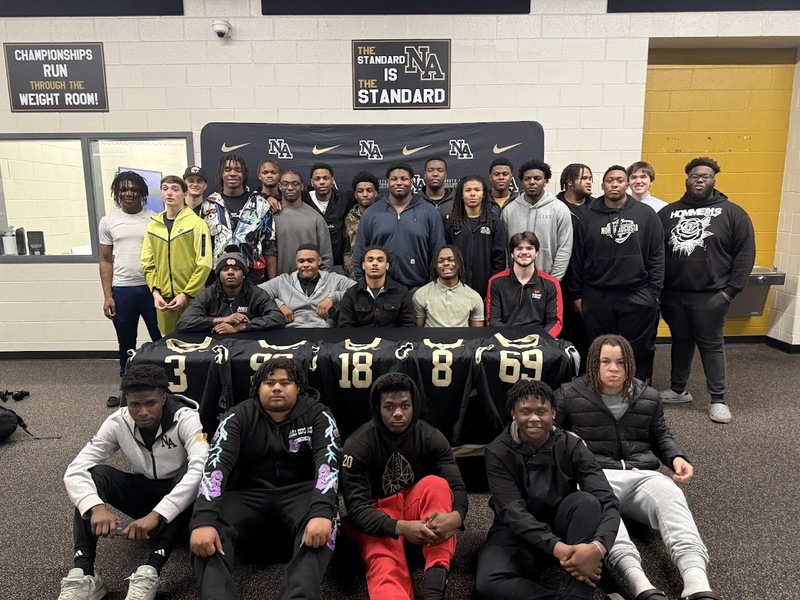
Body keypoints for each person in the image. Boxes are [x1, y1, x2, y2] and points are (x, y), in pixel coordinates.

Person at [555, 334, 717, 600]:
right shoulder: (569, 394)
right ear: (594, 364)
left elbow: (661, 435)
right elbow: (550, 429)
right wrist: (564, 437)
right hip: (596, 472)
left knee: (671, 495)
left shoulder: (648, 396)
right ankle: (640, 584)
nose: (614, 368)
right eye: (605, 362)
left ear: (630, 364)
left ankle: (696, 580)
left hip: (641, 473)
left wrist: (677, 457)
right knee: (602, 511)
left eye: (620, 362)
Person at [190, 357, 341, 600]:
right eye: (269, 382)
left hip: (299, 492)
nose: (277, 387)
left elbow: (328, 464)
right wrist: (203, 520)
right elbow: (216, 467)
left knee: (327, 522)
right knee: (204, 528)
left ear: (298, 387)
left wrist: (322, 511)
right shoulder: (237, 416)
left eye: (285, 382)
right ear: (258, 387)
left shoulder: (319, 415)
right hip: (246, 493)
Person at [60, 364, 208, 600]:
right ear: (126, 401)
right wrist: (95, 507)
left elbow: (201, 468)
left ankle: (151, 570)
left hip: (182, 506)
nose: (142, 412)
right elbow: (75, 469)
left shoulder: (186, 418)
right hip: (145, 494)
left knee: (190, 475)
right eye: (134, 405)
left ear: (163, 398)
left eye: (150, 403)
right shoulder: (117, 422)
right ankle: (84, 573)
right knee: (95, 475)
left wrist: (157, 514)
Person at [475, 379, 621, 600]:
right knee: (488, 582)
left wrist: (597, 548)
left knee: (586, 503)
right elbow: (513, 513)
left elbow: (608, 501)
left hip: (562, 526)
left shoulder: (572, 446)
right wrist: (561, 549)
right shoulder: (497, 451)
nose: (534, 418)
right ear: (513, 413)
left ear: (553, 412)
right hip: (516, 532)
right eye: (525, 411)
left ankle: (579, 594)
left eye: (541, 411)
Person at [340, 372, 468, 600]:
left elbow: (456, 486)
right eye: (389, 407)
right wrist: (400, 527)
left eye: (405, 406)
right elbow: (357, 509)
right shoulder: (357, 445)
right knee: (384, 564)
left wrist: (457, 518)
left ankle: (434, 592)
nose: (398, 413)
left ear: (414, 405)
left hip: (416, 507)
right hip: (379, 513)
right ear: (378, 408)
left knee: (437, 485)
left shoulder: (432, 437)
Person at [658, 157, 756, 424]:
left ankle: (718, 399)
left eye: (706, 176)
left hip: (712, 295)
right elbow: (655, 252)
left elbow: (745, 255)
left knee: (711, 345)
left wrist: (729, 292)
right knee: (680, 340)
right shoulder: (667, 213)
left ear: (714, 180)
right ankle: (679, 389)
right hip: (673, 294)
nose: (699, 180)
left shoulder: (733, 213)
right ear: (686, 179)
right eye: (695, 176)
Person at [568, 166, 664, 382]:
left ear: (627, 184)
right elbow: (577, 258)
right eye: (610, 180)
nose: (614, 184)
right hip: (597, 295)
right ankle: (598, 388)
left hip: (637, 294)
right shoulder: (588, 217)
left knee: (637, 348)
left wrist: (654, 293)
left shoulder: (645, 214)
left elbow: (657, 255)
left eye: (619, 180)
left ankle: (637, 389)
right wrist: (576, 294)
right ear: (603, 185)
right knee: (598, 347)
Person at [99, 171, 162, 407]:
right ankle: (126, 390)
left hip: (152, 289)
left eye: (133, 189)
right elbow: (105, 260)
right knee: (126, 343)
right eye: (123, 189)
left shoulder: (154, 219)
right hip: (123, 291)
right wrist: (107, 296)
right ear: (117, 192)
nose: (129, 193)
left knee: (160, 339)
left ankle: (165, 386)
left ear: (142, 193)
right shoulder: (108, 221)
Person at [352, 162, 446, 291]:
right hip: (380, 290)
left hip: (419, 290)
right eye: (394, 179)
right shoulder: (371, 213)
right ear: (387, 182)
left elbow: (438, 252)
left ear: (412, 181)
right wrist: (364, 284)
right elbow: (359, 253)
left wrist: (431, 288)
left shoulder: (429, 212)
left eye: (404, 179)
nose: (399, 183)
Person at [141, 175, 212, 336]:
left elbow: (204, 263)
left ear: (184, 194)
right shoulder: (153, 226)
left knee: (195, 345)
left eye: (175, 189)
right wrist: (155, 292)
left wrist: (186, 294)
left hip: (192, 299)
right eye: (165, 189)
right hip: (164, 301)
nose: (169, 193)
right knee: (169, 345)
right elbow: (147, 263)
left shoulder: (196, 223)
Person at [175, 246, 286, 334]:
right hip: (214, 344)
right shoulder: (209, 294)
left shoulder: (255, 293)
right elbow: (184, 322)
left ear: (244, 274)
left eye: (236, 269)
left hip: (248, 343)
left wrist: (241, 327)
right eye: (225, 269)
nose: (230, 272)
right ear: (218, 275)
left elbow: (278, 318)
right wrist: (222, 320)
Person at [502, 159, 573, 281]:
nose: (532, 182)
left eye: (537, 178)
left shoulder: (559, 209)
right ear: (522, 182)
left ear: (545, 181)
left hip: (548, 281)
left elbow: (564, 248)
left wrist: (553, 280)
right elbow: (503, 249)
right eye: (527, 179)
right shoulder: (509, 211)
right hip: (513, 282)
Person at [485, 231, 562, 336]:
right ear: (512, 254)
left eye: (529, 248)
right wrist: (510, 339)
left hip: (540, 341)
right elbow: (493, 320)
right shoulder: (495, 282)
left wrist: (539, 339)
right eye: (519, 248)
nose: (524, 252)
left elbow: (555, 322)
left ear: (537, 253)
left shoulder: (551, 283)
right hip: (506, 341)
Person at [259, 243, 355, 327]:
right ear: (296, 262)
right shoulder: (283, 281)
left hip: (324, 333)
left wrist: (333, 297)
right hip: (291, 333)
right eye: (301, 261)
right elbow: (255, 293)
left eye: (310, 261)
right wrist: (278, 305)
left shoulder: (334, 279)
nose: (305, 264)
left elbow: (360, 290)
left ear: (319, 261)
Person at [445, 175, 507, 298]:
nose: (472, 194)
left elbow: (499, 259)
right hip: (456, 287)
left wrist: (492, 286)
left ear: (483, 194)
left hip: (485, 288)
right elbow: (445, 256)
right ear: (461, 195)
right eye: (468, 190)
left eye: (477, 190)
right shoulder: (452, 223)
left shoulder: (493, 222)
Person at [556, 163, 594, 362]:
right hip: (563, 280)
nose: (589, 182)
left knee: (589, 334)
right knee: (565, 333)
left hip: (590, 282)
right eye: (584, 178)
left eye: (590, 178)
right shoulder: (554, 207)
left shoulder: (597, 208)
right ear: (569, 182)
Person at [337, 245, 415, 327]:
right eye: (370, 260)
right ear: (363, 265)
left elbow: (408, 325)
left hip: (393, 339)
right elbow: (345, 327)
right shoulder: (351, 294)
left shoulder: (401, 292)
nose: (374, 263)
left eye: (380, 260)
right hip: (361, 339)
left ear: (387, 266)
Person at [273, 170, 334, 275]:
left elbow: (326, 258)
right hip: (278, 284)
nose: (290, 188)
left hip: (310, 284)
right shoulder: (270, 216)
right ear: (279, 186)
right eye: (285, 184)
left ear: (302, 187)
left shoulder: (316, 218)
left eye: (295, 184)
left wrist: (320, 285)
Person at [231, 160, 279, 284]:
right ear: (259, 175)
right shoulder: (255, 201)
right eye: (265, 172)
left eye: (273, 172)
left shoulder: (289, 198)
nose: (269, 175)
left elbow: (269, 244)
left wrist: (273, 282)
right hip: (231, 269)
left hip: (260, 272)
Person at [413, 246, 484, 328]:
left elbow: (476, 335)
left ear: (459, 263)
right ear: (435, 265)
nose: (446, 263)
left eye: (451, 260)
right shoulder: (421, 294)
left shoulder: (474, 297)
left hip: (464, 340)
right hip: (431, 340)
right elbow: (418, 332)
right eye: (440, 261)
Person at [304, 162, 355, 270]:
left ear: (332, 180)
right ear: (312, 182)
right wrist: (270, 198)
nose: (322, 182)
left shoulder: (344, 197)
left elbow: (366, 197)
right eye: (317, 179)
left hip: (337, 264)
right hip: (309, 264)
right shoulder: (303, 198)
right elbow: (282, 197)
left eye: (325, 178)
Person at [200, 154, 249, 261]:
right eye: (227, 169)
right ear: (221, 174)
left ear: (244, 174)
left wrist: (272, 278)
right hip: (219, 272)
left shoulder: (260, 205)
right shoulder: (209, 205)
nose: (232, 173)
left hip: (253, 274)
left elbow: (269, 246)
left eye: (238, 170)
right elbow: (202, 245)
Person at [344, 171, 380, 277]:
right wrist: (352, 272)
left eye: (369, 191)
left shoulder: (385, 215)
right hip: (355, 274)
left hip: (380, 272)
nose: (365, 194)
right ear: (355, 194)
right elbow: (346, 250)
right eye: (360, 191)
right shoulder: (348, 218)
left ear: (376, 193)